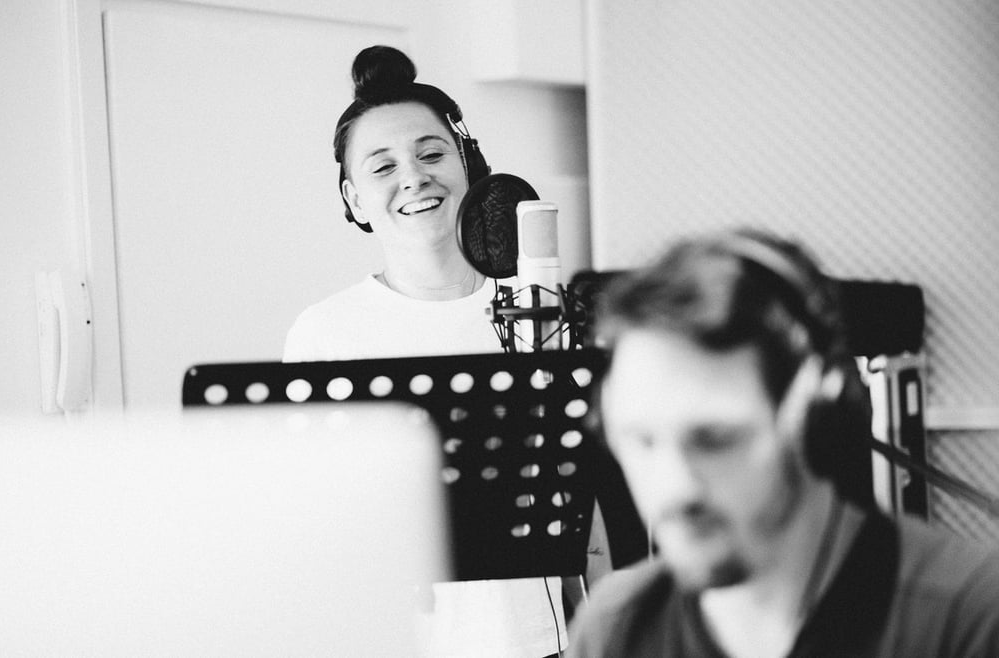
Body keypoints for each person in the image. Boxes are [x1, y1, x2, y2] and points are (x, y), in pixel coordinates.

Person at [567, 228, 999, 657]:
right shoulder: (615, 629)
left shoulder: (972, 618)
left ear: (813, 422)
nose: (675, 487)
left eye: (715, 440)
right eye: (641, 440)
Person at [284, 46, 568, 657]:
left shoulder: (540, 311)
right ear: (355, 200)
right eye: (381, 167)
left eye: (431, 153)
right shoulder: (325, 335)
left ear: (470, 168)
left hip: (539, 642)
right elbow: (314, 527)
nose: (413, 177)